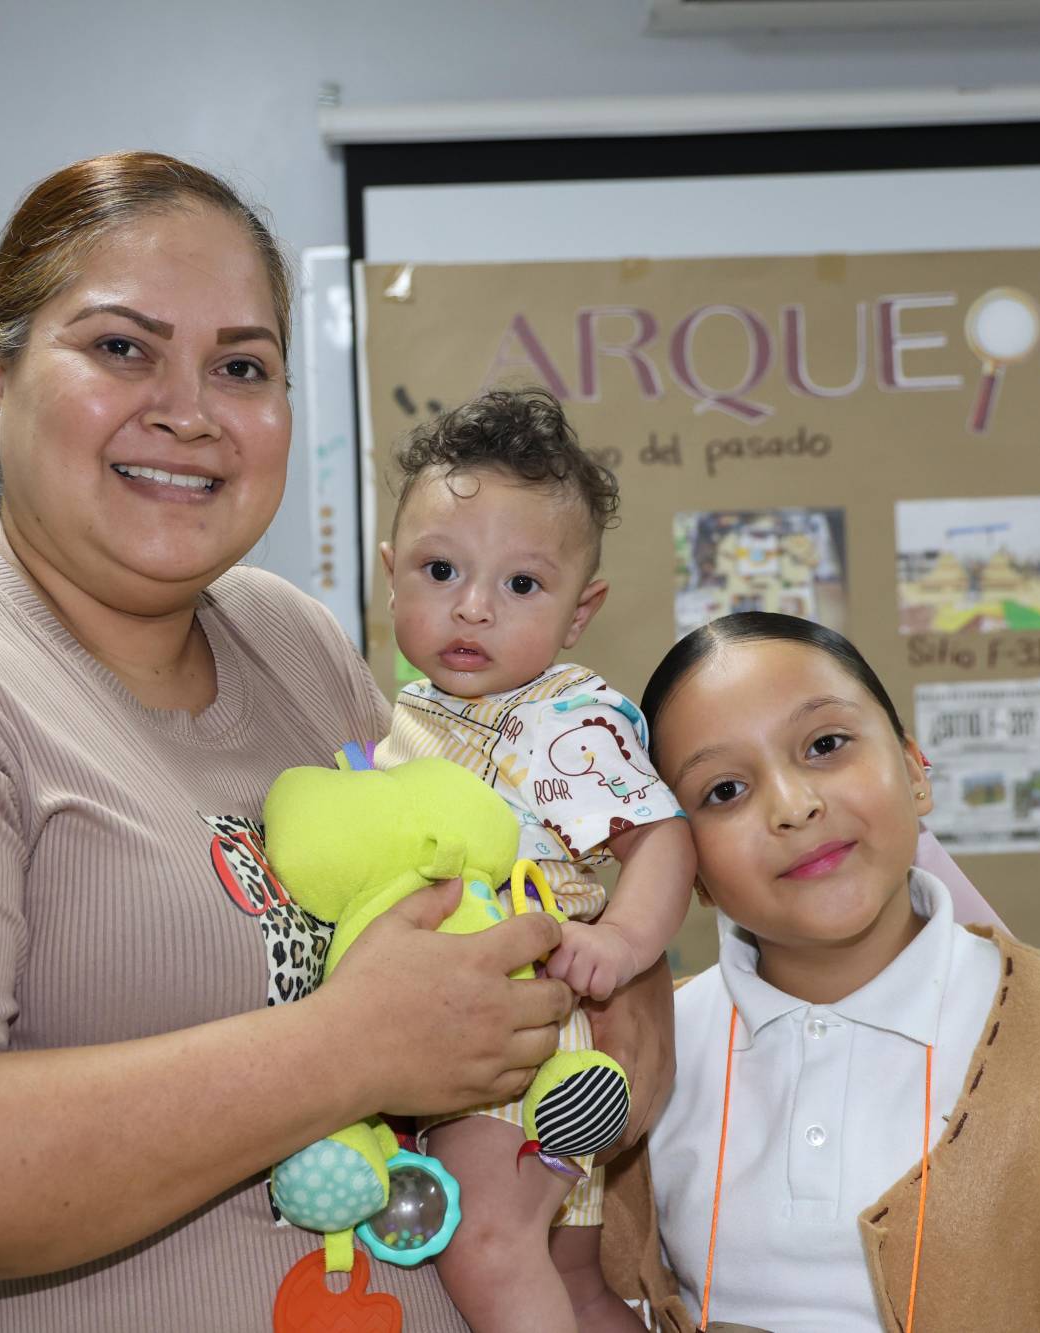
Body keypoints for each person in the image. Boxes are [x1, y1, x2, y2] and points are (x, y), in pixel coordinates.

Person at [0, 151, 673, 1332]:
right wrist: (340, 1053)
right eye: (120, 348)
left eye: (241, 365)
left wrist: (610, 1014)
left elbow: (487, 906)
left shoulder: (292, 643)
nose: (189, 410)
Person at [609, 613, 1040, 1333]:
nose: (794, 806)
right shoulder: (641, 1056)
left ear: (916, 770)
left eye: (826, 745)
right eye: (724, 790)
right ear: (687, 868)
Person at [373, 388, 697, 1332]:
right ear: (391, 577)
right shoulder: (415, 709)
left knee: (485, 1246)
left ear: (578, 610)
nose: (472, 608)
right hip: (476, 1030)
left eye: (521, 585)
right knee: (577, 1277)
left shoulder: (554, 720)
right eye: (440, 570)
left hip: (522, 1038)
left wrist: (627, 941)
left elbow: (659, 834)